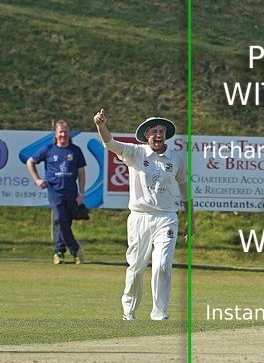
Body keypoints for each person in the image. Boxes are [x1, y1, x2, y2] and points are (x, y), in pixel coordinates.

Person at [93, 109, 192, 321]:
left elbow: (185, 189)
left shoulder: (176, 158)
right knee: (136, 267)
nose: (158, 135)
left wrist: (191, 219)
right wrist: (101, 126)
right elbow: (110, 144)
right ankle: (129, 311)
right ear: (146, 135)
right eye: (154, 131)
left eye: (162, 131)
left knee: (163, 265)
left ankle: (159, 312)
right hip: (139, 217)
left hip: (167, 217)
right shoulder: (135, 153)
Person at [26, 120, 87, 264]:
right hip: (54, 192)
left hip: (71, 193)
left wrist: (81, 193)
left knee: (64, 223)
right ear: (55, 134)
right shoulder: (48, 149)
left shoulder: (75, 150)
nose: (63, 134)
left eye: (65, 131)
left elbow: (81, 173)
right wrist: (37, 179)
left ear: (69, 133)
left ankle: (59, 252)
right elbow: (30, 161)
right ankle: (75, 248)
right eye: (60, 132)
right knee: (59, 219)